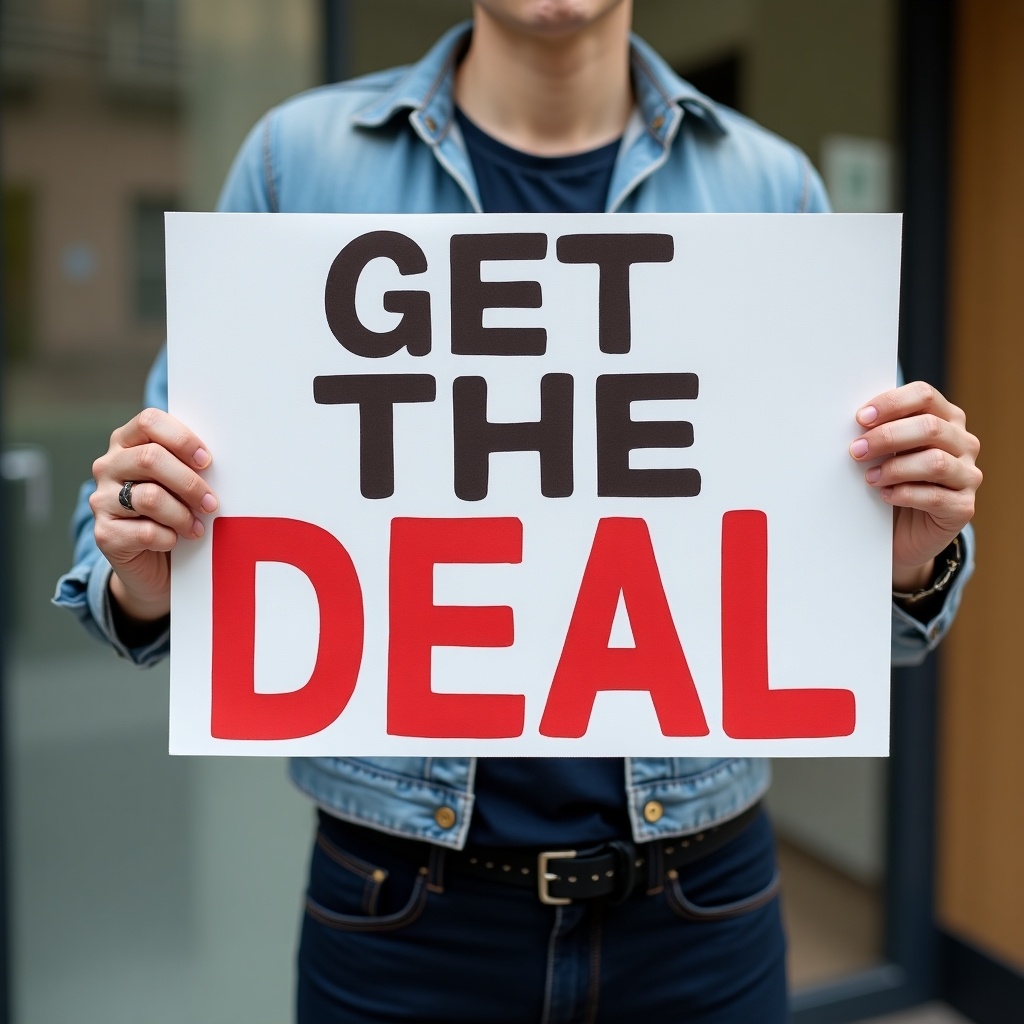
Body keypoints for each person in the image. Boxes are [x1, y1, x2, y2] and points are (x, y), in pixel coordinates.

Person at [55, 2, 982, 1021]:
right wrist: (149, 568)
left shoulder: (769, 186)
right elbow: (139, 552)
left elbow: (884, 619)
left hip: (700, 913)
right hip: (402, 916)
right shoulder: (296, 162)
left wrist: (901, 557)